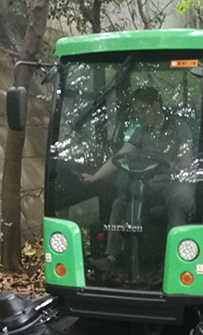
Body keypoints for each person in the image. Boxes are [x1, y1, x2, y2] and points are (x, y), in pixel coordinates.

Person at [82, 86, 194, 271]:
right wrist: (95, 177)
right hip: (149, 184)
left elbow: (186, 160)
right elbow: (120, 155)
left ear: (156, 105)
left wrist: (170, 166)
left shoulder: (179, 127)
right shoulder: (142, 132)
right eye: (137, 111)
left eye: (143, 110)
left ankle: (174, 261)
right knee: (120, 203)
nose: (140, 115)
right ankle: (112, 258)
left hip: (174, 182)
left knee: (180, 199)